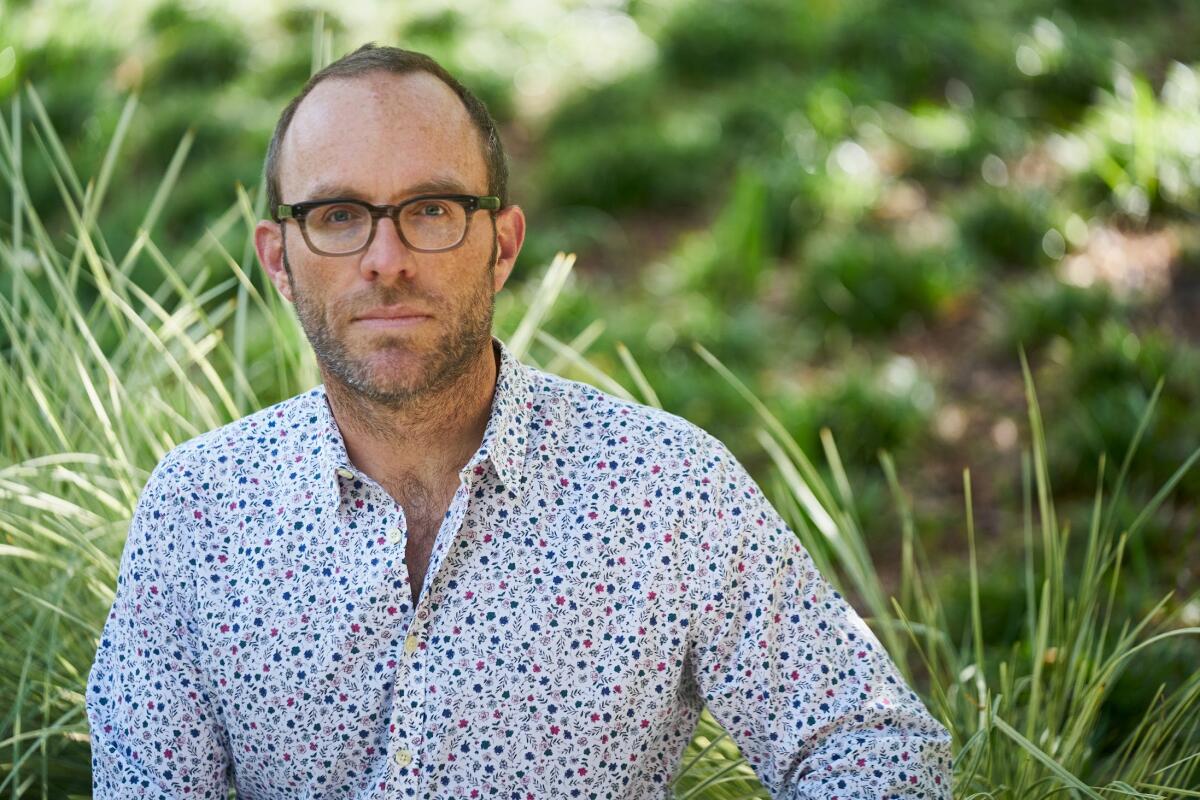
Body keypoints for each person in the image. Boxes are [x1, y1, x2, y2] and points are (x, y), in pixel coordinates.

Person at [85, 43, 952, 799]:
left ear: (501, 245)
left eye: (430, 210)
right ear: (280, 258)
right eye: (338, 216)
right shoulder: (198, 513)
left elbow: (870, 747)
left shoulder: (666, 490)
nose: (386, 262)